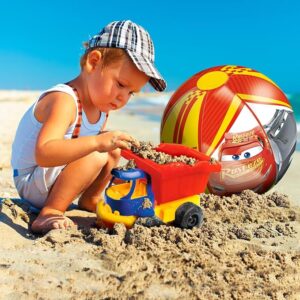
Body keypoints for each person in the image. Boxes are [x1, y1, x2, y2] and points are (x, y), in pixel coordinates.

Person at [11, 20, 166, 233]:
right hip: (32, 181)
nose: (123, 98)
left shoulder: (102, 108)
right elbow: (44, 153)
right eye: (120, 84)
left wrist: (106, 143)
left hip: (54, 178)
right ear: (93, 62)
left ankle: (90, 199)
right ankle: (49, 212)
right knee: (98, 150)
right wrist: (96, 142)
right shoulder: (64, 100)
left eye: (131, 92)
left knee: (112, 148)